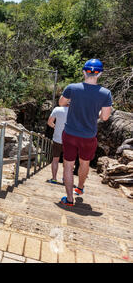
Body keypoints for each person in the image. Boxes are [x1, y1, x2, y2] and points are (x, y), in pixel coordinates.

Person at [58, 59, 112, 206]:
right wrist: (98, 111)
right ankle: (80, 188)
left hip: (70, 134)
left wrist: (73, 102)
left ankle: (69, 199)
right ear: (99, 74)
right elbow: (105, 117)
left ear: (84, 72)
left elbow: (61, 103)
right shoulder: (105, 93)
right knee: (84, 162)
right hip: (88, 136)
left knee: (68, 165)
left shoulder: (72, 88)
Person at [47, 101, 69, 184]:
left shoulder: (57, 109)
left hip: (57, 138)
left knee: (55, 159)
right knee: (67, 161)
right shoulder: (76, 111)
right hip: (69, 140)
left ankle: (54, 178)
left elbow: (49, 122)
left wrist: (55, 127)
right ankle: (65, 179)